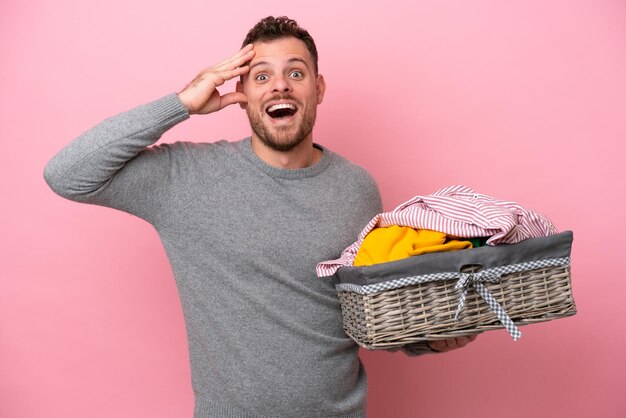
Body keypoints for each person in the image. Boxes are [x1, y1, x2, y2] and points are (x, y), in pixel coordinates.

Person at [44, 16, 475, 418]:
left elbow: (365, 309)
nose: (279, 87)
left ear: (318, 88)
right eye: (261, 76)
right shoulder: (185, 178)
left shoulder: (357, 187)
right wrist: (180, 104)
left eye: (296, 73)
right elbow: (67, 174)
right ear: (242, 93)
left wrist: (429, 341)